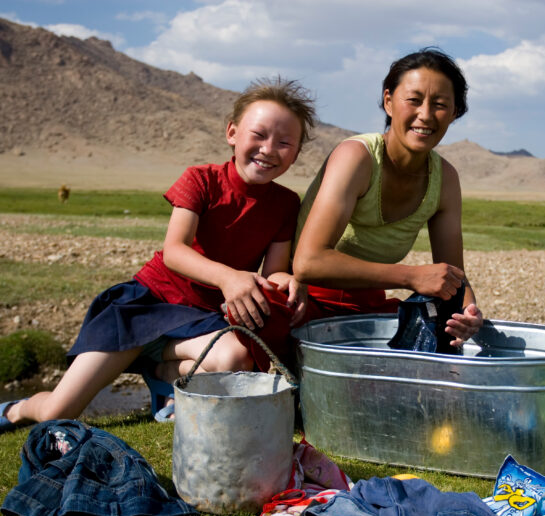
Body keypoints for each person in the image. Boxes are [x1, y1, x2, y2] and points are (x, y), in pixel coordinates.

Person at [0, 78, 316, 431]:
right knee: (56, 413)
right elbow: (174, 251)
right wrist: (229, 277)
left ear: (297, 152)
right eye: (258, 134)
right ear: (232, 133)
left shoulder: (286, 204)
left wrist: (287, 280)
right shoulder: (201, 180)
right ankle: (17, 409)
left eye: (285, 142)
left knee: (235, 357)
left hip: (201, 319)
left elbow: (273, 271)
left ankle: (162, 373)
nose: (269, 149)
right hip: (145, 308)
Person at [291, 47, 483, 347]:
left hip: (368, 306)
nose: (426, 115)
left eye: (441, 104)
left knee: (439, 340)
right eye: (414, 100)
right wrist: (410, 276)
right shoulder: (357, 158)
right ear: (389, 101)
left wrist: (469, 313)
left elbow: (454, 276)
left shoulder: (445, 179)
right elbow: (307, 263)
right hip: (303, 298)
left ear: (455, 112)